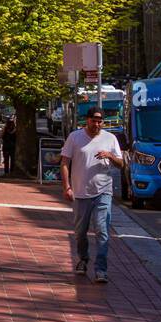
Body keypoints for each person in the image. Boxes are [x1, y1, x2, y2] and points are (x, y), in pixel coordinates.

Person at [60, 105, 123, 283]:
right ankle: (82, 259)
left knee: (102, 230)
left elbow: (121, 164)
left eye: (99, 121)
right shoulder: (75, 137)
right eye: (94, 120)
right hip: (80, 192)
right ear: (87, 120)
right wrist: (67, 187)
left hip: (103, 191)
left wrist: (110, 156)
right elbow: (64, 162)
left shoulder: (110, 138)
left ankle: (101, 270)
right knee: (80, 232)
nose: (97, 124)